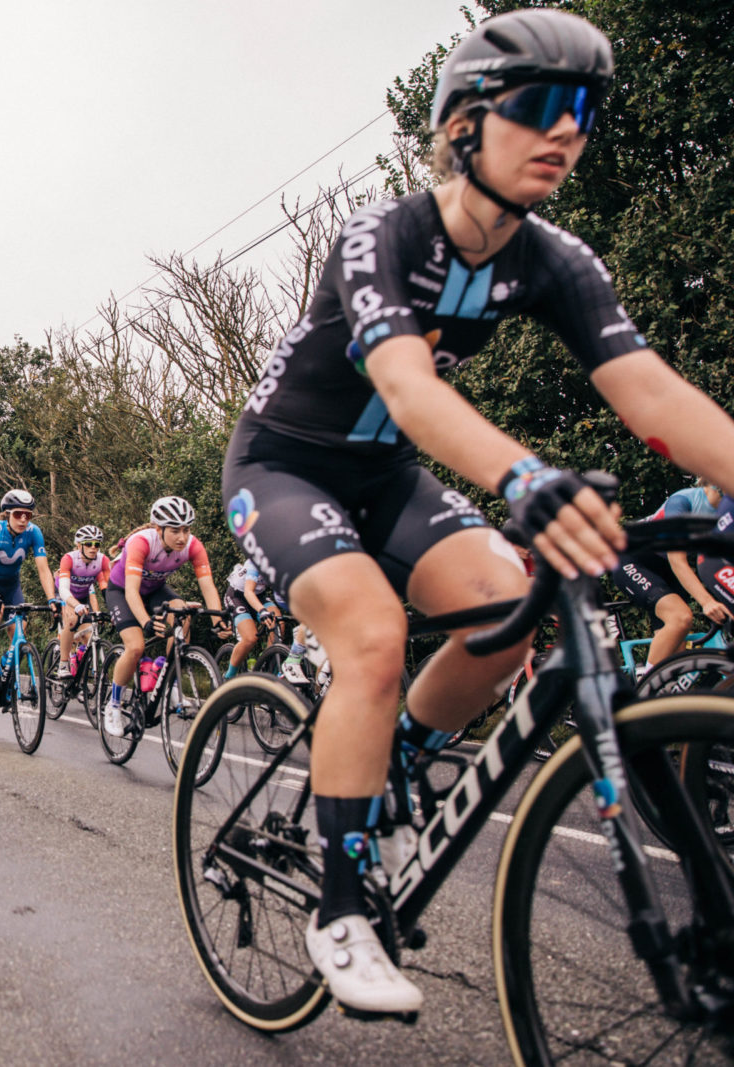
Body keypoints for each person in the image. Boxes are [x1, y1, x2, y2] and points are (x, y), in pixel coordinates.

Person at [221, 8, 734, 1015]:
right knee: (369, 636)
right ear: (463, 123)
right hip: (282, 465)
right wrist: (524, 476)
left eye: (582, 113)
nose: (566, 133)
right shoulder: (382, 234)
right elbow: (408, 387)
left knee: (508, 606)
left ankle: (398, 761)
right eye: (540, 106)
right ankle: (338, 904)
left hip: (382, 477)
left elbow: (655, 398)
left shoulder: (554, 260)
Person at [101, 496, 225, 737]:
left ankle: (171, 680)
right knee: (136, 647)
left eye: (186, 529)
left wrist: (218, 621)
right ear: (158, 529)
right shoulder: (141, 543)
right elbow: (131, 591)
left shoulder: (193, 546)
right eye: (175, 530)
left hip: (156, 589)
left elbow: (208, 586)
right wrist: (146, 622)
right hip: (123, 591)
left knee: (183, 614)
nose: (182, 537)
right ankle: (113, 704)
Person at [611, 479, 731, 675]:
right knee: (681, 617)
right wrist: (707, 602)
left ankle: (664, 698)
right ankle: (644, 691)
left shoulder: (725, 516)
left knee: (675, 660)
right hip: (633, 560)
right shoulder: (683, 501)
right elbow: (677, 561)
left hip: (667, 572)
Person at [0, 489, 61, 693]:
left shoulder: (34, 533)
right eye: (18, 514)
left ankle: (7, 661)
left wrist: (52, 598)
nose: (23, 520)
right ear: (7, 514)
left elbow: (43, 569)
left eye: (28, 515)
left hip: (12, 585)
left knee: (21, 627)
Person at [54, 524, 110, 677]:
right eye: (88, 544)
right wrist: (76, 605)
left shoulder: (102, 561)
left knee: (88, 634)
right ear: (79, 545)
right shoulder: (69, 559)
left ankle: (81, 672)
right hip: (66, 594)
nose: (93, 548)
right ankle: (63, 664)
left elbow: (107, 588)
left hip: (83, 595)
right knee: (72, 620)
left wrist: (112, 609)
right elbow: (64, 589)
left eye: (97, 544)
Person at [221, 559, 281, 680]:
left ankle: (268, 665)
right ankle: (228, 677)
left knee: (279, 621)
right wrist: (262, 610)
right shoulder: (256, 560)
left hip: (259, 594)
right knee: (250, 637)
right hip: (237, 595)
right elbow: (248, 592)